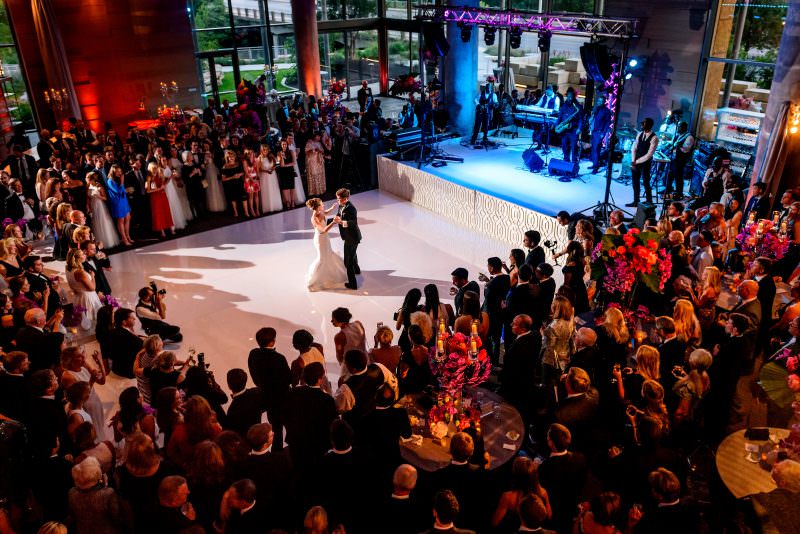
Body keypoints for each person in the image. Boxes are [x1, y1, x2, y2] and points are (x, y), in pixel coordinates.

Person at [67, 457, 129, 534]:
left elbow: (72, 517)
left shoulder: (72, 492)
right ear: (97, 473)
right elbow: (118, 518)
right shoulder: (108, 494)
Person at [306, 198, 348, 291]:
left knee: (329, 254)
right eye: (321, 204)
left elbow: (326, 212)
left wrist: (332, 208)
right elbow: (324, 230)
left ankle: (330, 274)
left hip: (325, 238)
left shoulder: (320, 212)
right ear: (317, 207)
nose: (323, 205)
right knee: (322, 258)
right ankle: (313, 280)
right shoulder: (315, 218)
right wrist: (334, 222)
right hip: (320, 239)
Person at [331, 188, 362, 289]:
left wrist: (341, 222)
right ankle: (357, 269)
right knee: (353, 254)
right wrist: (330, 221)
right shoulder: (341, 205)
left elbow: (353, 222)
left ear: (346, 198)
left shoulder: (351, 208)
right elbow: (339, 215)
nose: (338, 201)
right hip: (348, 236)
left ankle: (353, 284)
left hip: (352, 237)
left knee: (347, 262)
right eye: (337, 199)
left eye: (339, 199)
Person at [65, 248, 103, 330]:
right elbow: (92, 288)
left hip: (78, 297)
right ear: (77, 258)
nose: (85, 255)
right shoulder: (79, 272)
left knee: (84, 318)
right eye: (82, 254)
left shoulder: (68, 268)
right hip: (88, 297)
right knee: (93, 317)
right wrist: (92, 276)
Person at [627, 117, 659, 207]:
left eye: (644, 123)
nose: (641, 125)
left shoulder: (654, 138)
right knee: (635, 182)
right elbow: (634, 148)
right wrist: (633, 160)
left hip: (645, 162)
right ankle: (636, 201)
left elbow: (649, 155)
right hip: (636, 161)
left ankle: (649, 201)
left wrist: (636, 162)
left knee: (646, 182)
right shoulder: (640, 134)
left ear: (649, 125)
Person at [85, 172, 119, 249]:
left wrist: (98, 196)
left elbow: (105, 198)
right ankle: (99, 242)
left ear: (91, 179)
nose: (86, 180)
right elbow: (88, 198)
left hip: (100, 206)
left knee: (103, 221)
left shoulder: (99, 186)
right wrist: (88, 207)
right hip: (93, 206)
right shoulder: (88, 186)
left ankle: (108, 242)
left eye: (87, 178)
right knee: (96, 223)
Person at [145, 162, 175, 237]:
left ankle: (171, 228)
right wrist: (158, 189)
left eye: (156, 167)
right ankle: (162, 231)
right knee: (158, 213)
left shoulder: (159, 174)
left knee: (166, 211)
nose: (155, 169)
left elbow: (164, 184)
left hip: (162, 195)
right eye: (153, 168)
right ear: (150, 169)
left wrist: (170, 177)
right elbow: (148, 190)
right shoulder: (149, 177)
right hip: (155, 197)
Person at [666, 121, 694, 199]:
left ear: (684, 128)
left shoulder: (689, 137)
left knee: (678, 176)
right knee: (670, 174)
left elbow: (686, 150)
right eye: (678, 126)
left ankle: (679, 193)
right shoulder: (679, 135)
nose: (678, 128)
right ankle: (668, 189)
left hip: (680, 160)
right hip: (674, 158)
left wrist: (678, 146)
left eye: (680, 126)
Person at [556, 87, 582, 165]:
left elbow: (581, 119)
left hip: (573, 129)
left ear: (573, 97)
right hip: (564, 129)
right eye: (568, 97)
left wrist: (579, 128)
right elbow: (560, 116)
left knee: (574, 147)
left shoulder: (578, 106)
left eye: (571, 97)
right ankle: (566, 160)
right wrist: (557, 125)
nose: (570, 98)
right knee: (564, 145)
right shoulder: (564, 105)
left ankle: (574, 162)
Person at [220, 149, 249, 217]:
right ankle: (236, 212)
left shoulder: (238, 164)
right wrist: (232, 177)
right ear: (227, 158)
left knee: (244, 198)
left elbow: (243, 172)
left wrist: (239, 175)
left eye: (233, 156)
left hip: (239, 183)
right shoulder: (225, 166)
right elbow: (223, 179)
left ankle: (246, 212)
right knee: (233, 199)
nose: (231, 158)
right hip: (231, 185)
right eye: (230, 157)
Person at [589, 94, 612, 173]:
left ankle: (596, 167)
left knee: (596, 149)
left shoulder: (606, 111)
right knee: (593, 149)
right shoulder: (596, 109)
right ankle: (594, 164)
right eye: (598, 101)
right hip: (593, 131)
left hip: (599, 133)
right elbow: (593, 119)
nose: (599, 102)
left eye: (601, 101)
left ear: (604, 102)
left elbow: (607, 123)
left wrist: (603, 133)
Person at [256, 144, 282, 213]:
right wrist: (266, 171)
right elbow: (258, 169)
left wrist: (273, 168)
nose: (265, 151)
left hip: (272, 176)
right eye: (264, 150)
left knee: (274, 189)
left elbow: (277, 164)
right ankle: (268, 207)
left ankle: (275, 205)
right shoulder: (259, 158)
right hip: (264, 177)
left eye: (267, 149)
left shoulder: (271, 156)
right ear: (261, 150)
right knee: (266, 190)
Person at [277, 139, 297, 210]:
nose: (284, 146)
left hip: (290, 171)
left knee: (292, 187)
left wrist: (286, 165)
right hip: (283, 172)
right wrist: (282, 157)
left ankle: (292, 201)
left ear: (287, 145)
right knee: (285, 187)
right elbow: (282, 165)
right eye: (282, 144)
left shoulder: (291, 152)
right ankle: (287, 202)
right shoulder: (279, 153)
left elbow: (294, 162)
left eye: (285, 144)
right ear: (281, 145)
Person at [305, 132, 326, 197]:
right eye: (318, 136)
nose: (319, 138)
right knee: (314, 175)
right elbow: (306, 152)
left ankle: (321, 190)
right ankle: (314, 192)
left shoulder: (319, 143)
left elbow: (322, 151)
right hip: (312, 162)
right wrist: (313, 150)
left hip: (319, 161)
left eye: (320, 137)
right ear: (315, 136)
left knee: (320, 175)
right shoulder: (309, 143)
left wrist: (320, 151)